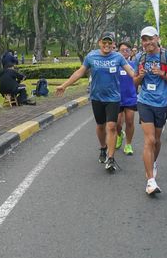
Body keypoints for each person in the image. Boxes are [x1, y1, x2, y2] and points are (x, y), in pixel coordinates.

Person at [56, 32, 136, 172]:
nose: (107, 45)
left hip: (113, 98)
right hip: (97, 98)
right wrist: (64, 85)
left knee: (111, 126)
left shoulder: (118, 57)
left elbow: (131, 72)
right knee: (100, 126)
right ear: (99, 43)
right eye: (104, 42)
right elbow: (80, 72)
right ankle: (103, 148)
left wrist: (144, 78)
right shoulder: (91, 56)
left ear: (113, 44)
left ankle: (111, 158)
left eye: (109, 43)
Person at [133, 26, 167, 195]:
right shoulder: (139, 57)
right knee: (150, 140)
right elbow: (134, 83)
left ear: (157, 38)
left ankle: (152, 163)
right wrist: (140, 76)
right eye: (144, 40)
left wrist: (162, 74)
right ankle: (150, 181)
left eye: (150, 39)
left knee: (157, 140)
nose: (148, 42)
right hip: (145, 101)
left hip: (162, 103)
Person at [116, 42, 138, 156]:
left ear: (130, 52)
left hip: (130, 97)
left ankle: (128, 144)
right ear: (118, 51)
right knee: (117, 123)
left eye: (127, 50)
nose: (124, 52)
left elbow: (138, 79)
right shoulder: (115, 64)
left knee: (129, 121)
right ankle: (119, 135)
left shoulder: (134, 64)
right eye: (122, 50)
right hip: (117, 98)